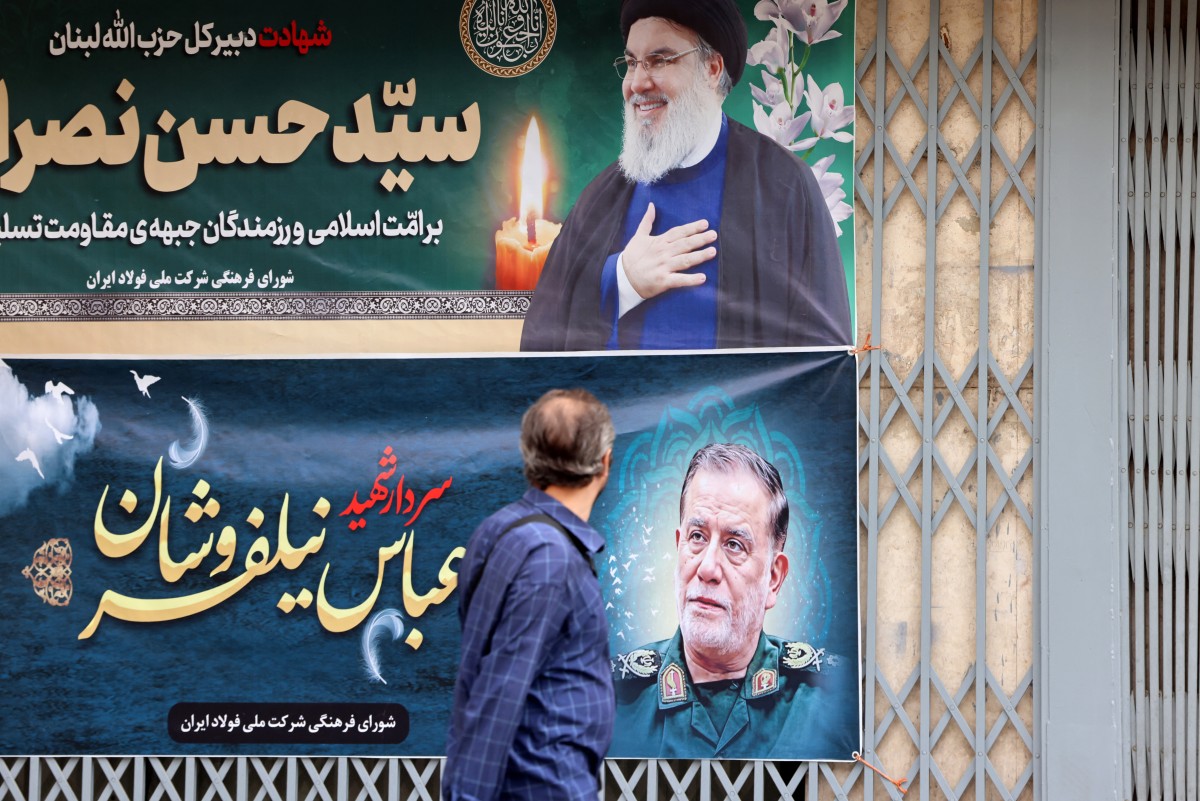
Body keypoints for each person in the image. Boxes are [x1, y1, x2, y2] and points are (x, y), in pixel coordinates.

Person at [520, 0, 851, 352]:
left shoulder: (784, 185)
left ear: (711, 68)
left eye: (659, 61)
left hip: (743, 409)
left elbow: (823, 356)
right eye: (632, 63)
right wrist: (622, 280)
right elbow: (543, 340)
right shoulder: (602, 198)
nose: (638, 83)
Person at [609, 443, 856, 759]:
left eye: (735, 544)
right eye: (697, 537)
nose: (707, 568)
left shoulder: (840, 702)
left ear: (773, 578)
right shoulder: (605, 702)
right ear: (678, 546)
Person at [444, 388, 616, 800]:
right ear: (604, 462)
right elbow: (499, 692)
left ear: (529, 458)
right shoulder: (549, 559)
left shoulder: (497, 530)